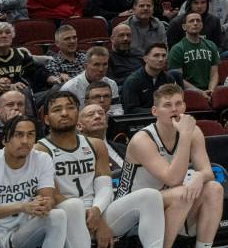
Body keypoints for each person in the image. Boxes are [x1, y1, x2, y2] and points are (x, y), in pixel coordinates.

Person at [35, 92, 168, 248]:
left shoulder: (96, 145)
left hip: (98, 210)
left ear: (77, 114)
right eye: (57, 109)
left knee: (150, 195)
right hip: (65, 216)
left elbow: (104, 187)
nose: (64, 113)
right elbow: (54, 196)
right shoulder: (40, 150)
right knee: (72, 206)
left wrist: (97, 212)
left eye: (70, 108)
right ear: (46, 119)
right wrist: (94, 220)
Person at [119, 85, 222, 248]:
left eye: (178, 103)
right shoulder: (142, 140)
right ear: (155, 111)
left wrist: (199, 176)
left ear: (185, 106)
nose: (174, 109)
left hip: (167, 200)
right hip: (132, 206)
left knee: (214, 189)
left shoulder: (193, 131)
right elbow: (173, 179)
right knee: (181, 193)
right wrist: (185, 137)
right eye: (167, 105)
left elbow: (207, 171)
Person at [0, 116, 64, 248]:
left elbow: (49, 198)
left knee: (57, 215)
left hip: (24, 232)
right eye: (19, 135)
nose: (25, 141)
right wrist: (22, 206)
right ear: (4, 140)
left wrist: (44, 205)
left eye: (30, 135)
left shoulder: (42, 159)